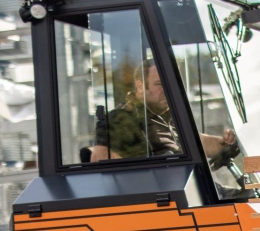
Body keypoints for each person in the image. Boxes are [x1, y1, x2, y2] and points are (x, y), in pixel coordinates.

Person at [88, 62, 237, 162]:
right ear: (140, 86)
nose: (167, 90)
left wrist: (225, 142)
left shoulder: (166, 114)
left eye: (169, 84)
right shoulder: (122, 119)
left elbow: (196, 142)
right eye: (159, 84)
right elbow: (100, 160)